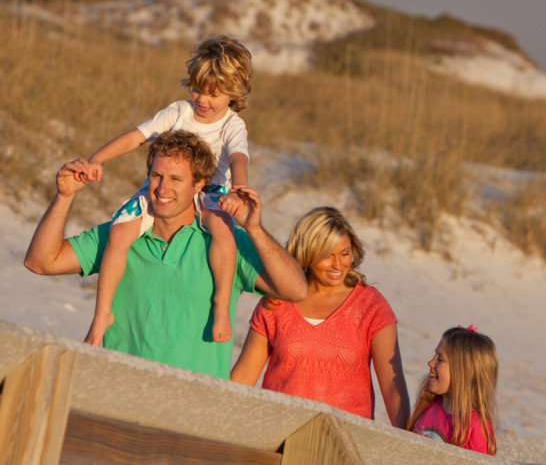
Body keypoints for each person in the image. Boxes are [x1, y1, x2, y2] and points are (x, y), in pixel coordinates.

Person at [24, 130, 308, 379]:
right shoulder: (122, 234)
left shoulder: (225, 240)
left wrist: (255, 229)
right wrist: (65, 197)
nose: (162, 188)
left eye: (176, 179)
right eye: (156, 176)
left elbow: (295, 289)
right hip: (117, 397)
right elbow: (40, 262)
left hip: (194, 415)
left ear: (199, 184)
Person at [82, 34, 253, 346]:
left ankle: (221, 306)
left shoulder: (232, 125)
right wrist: (97, 158)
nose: (202, 99)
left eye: (213, 94)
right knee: (120, 232)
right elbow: (137, 136)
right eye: (197, 89)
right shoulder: (178, 111)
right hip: (163, 188)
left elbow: (239, 157)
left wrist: (239, 188)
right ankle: (102, 312)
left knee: (224, 234)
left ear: (234, 93)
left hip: (211, 189)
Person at [230, 206, 410, 428]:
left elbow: (393, 385)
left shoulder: (371, 305)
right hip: (279, 433)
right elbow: (244, 375)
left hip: (345, 440)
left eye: (345, 253)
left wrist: (405, 440)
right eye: (327, 256)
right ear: (308, 254)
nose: (338, 265)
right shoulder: (276, 303)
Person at [408, 325, 498, 455]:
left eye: (439, 359)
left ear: (464, 372)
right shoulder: (429, 406)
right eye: (434, 355)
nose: (430, 363)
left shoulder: (475, 426)